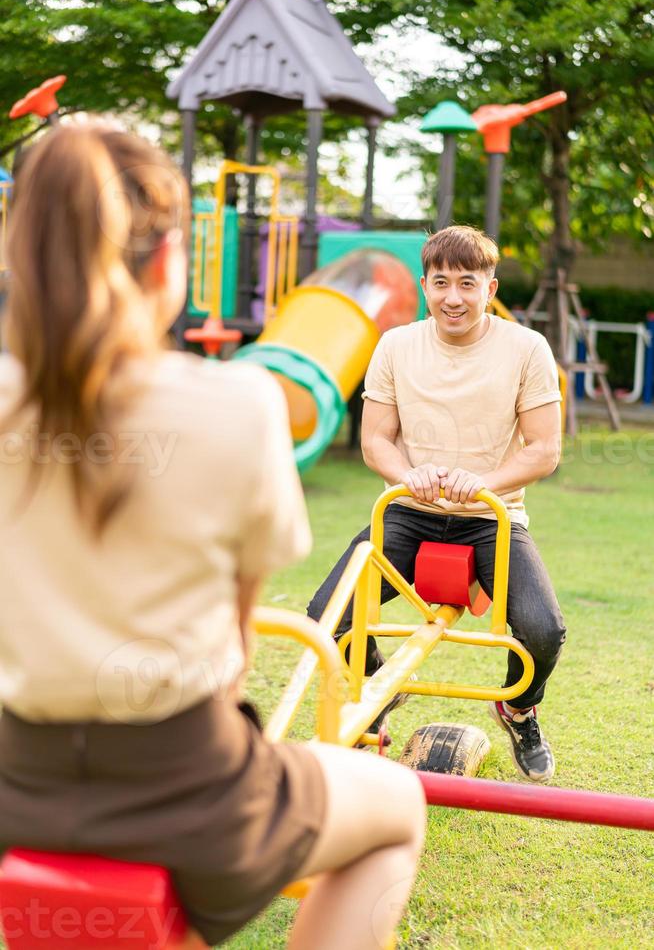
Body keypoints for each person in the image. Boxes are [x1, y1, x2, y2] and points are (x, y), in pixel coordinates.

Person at [0, 121, 426, 950]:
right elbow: (235, 641)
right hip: (189, 785)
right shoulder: (239, 404)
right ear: (168, 267)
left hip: (15, 783)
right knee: (396, 809)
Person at [308, 225, 566, 784]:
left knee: (543, 631)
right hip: (408, 511)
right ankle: (378, 690)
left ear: (489, 288)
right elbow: (375, 440)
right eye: (441, 282)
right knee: (325, 616)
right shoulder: (396, 345)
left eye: (467, 283)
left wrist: (485, 482)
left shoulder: (526, 348)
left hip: (489, 518)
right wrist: (411, 474)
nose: (454, 296)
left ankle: (519, 710)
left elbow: (545, 450)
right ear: (424, 285)